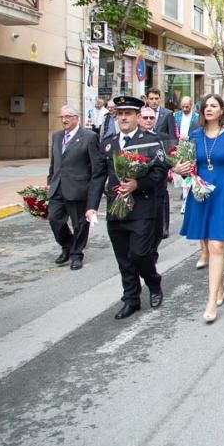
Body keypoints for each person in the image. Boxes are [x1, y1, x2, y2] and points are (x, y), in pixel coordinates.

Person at [88, 96, 169, 320]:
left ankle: (153, 282)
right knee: (123, 257)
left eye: (128, 114)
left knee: (140, 253)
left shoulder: (150, 141)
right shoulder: (107, 143)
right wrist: (91, 207)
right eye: (120, 114)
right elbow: (98, 176)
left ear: (137, 117)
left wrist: (137, 184)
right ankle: (131, 298)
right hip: (116, 208)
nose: (123, 117)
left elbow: (160, 172)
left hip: (142, 208)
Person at [175, 93, 224, 323]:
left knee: (218, 245)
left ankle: (210, 301)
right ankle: (218, 287)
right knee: (209, 246)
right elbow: (184, 165)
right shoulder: (194, 136)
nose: (208, 109)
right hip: (202, 194)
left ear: (222, 111)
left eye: (213, 105)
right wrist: (178, 169)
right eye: (205, 106)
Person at [47, 105, 104, 271]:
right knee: (54, 219)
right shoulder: (57, 136)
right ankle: (67, 245)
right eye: (62, 117)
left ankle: (76, 254)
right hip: (58, 186)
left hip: (78, 187)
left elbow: (97, 167)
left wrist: (93, 192)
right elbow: (54, 162)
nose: (64, 120)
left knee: (79, 224)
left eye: (68, 117)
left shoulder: (89, 137)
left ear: (76, 118)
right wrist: (50, 180)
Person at [139, 105, 175, 251]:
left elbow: (171, 158)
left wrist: (174, 169)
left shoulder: (163, 138)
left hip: (158, 185)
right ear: (138, 118)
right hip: (139, 186)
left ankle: (154, 247)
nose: (148, 121)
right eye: (145, 118)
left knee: (157, 220)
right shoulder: (132, 138)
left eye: (151, 118)